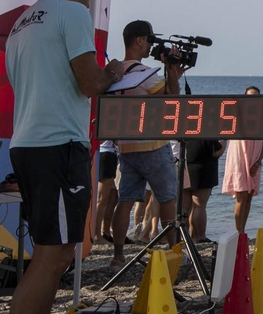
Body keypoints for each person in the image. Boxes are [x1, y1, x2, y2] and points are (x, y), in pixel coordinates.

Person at [0, 0, 125, 314]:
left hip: (28, 142)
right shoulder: (74, 12)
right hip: (58, 144)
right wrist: (116, 72)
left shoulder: (22, 22)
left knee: (57, 252)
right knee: (51, 256)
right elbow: (89, 84)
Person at [108, 20, 186, 268]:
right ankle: (173, 250)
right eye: (150, 40)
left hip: (126, 147)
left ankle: (118, 255)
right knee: (167, 198)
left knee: (125, 201)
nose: (150, 46)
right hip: (152, 144)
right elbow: (172, 100)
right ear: (139, 41)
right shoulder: (144, 74)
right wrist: (172, 72)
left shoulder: (114, 72)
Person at [221, 85, 263, 235]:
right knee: (241, 195)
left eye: (256, 97)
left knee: (249, 196)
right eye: (250, 96)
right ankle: (238, 231)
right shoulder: (236, 115)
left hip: (255, 159)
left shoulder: (262, 117)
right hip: (239, 158)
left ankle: (243, 229)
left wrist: (258, 161)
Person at [182, 136, 224, 242]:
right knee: (199, 206)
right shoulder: (205, 134)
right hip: (202, 171)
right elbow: (217, 152)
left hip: (184, 169)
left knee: (184, 208)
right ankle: (199, 236)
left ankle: (185, 236)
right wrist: (225, 140)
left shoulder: (182, 134)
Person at [93, 138, 118, 243]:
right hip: (106, 153)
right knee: (101, 200)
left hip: (112, 153)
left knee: (112, 198)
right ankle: (96, 235)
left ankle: (106, 232)